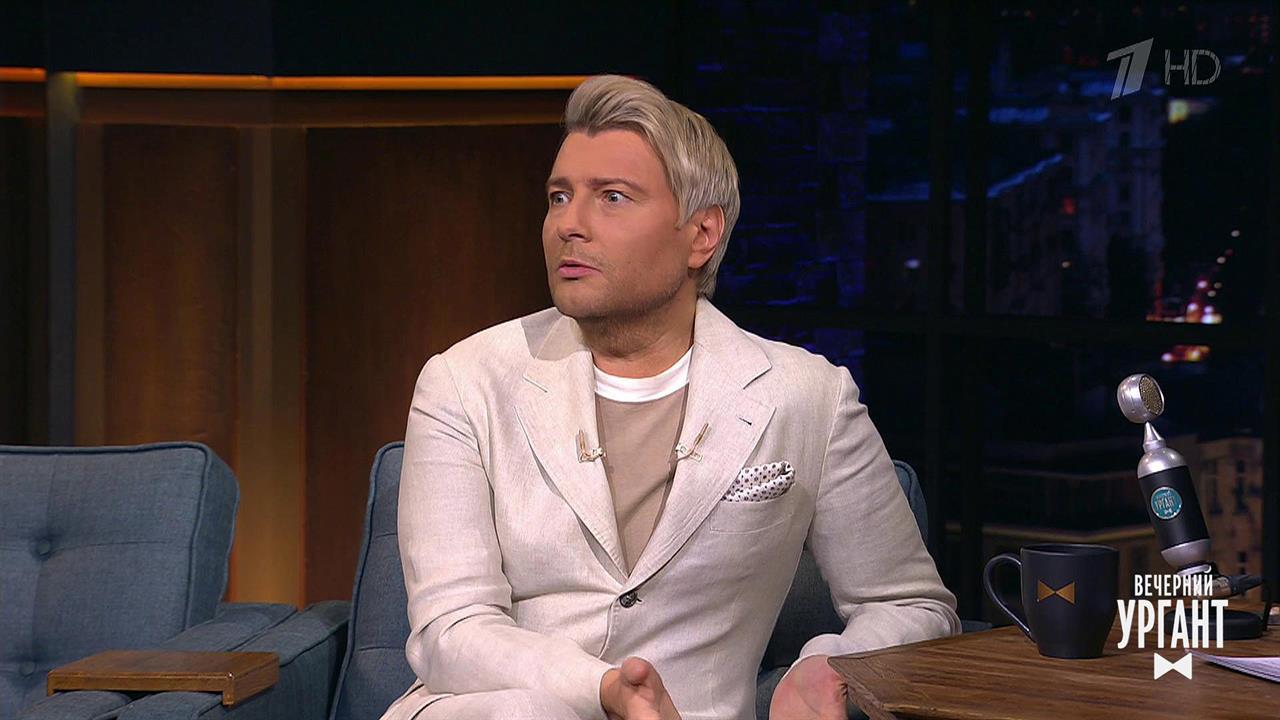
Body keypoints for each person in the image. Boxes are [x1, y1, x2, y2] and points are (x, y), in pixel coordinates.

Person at [382, 74, 960, 720]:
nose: (569, 224)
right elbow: (451, 627)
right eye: (559, 197)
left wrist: (831, 665)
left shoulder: (807, 397)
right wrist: (602, 689)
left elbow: (911, 605)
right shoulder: (464, 381)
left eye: (612, 198)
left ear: (701, 234)